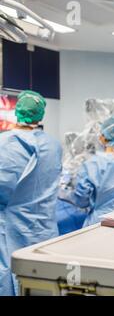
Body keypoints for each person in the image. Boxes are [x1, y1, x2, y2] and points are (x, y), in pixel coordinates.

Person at [0, 90, 62, 296]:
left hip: (10, 229)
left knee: (11, 276)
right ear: (40, 115)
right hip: (42, 227)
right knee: (41, 280)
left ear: (17, 112)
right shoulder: (54, 145)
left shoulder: (4, 143)